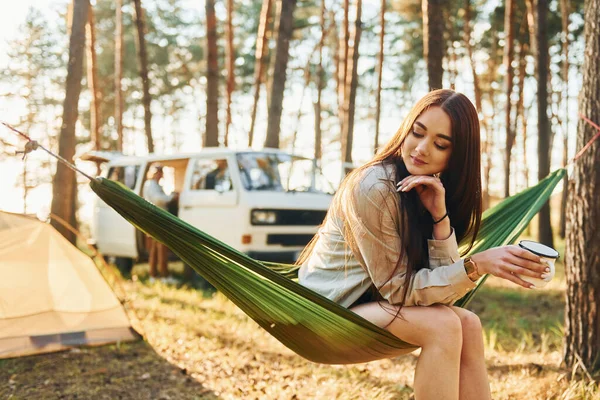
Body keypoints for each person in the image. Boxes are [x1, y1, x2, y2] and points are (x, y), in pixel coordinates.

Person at [297, 89, 549, 400]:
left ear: (455, 156)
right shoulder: (374, 186)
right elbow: (399, 290)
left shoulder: (426, 189)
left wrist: (439, 217)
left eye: (440, 144)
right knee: (442, 325)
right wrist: (476, 266)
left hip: (368, 306)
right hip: (325, 313)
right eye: (417, 132)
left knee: (467, 323)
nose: (421, 148)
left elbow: (443, 297)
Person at [142, 165, 178, 281]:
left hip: (155, 219)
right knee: (162, 247)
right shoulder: (151, 185)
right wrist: (171, 197)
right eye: (158, 172)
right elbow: (158, 199)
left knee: (155, 248)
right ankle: (164, 275)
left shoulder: (155, 185)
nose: (160, 175)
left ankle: (153, 274)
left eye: (161, 172)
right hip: (156, 220)